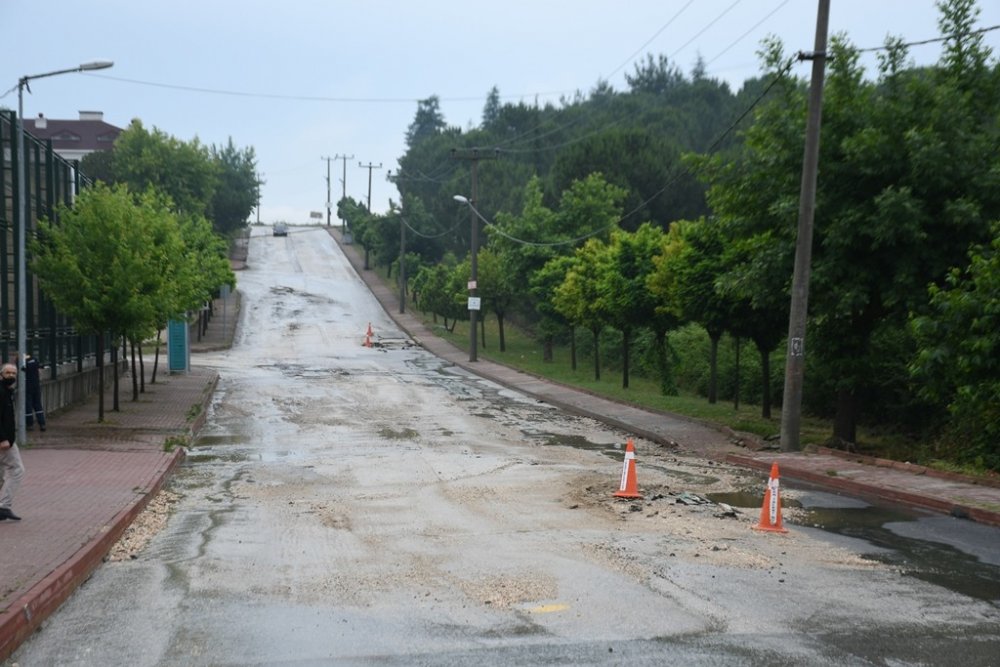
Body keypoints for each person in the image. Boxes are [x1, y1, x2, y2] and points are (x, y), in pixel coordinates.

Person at [0, 362, 24, 521]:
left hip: (7, 438)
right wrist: (2, 438)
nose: (11, 376)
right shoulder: (1, 392)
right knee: (17, 469)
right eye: (8, 373)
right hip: (4, 440)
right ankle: (4, 506)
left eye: (14, 374)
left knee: (1, 474)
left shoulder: (7, 391)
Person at [22, 353, 46, 431]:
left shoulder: (22, 362)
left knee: (28, 405)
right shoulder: (35, 360)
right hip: (36, 385)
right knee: (38, 404)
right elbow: (40, 369)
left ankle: (30, 424)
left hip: (27, 385)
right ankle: (42, 423)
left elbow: (21, 371)